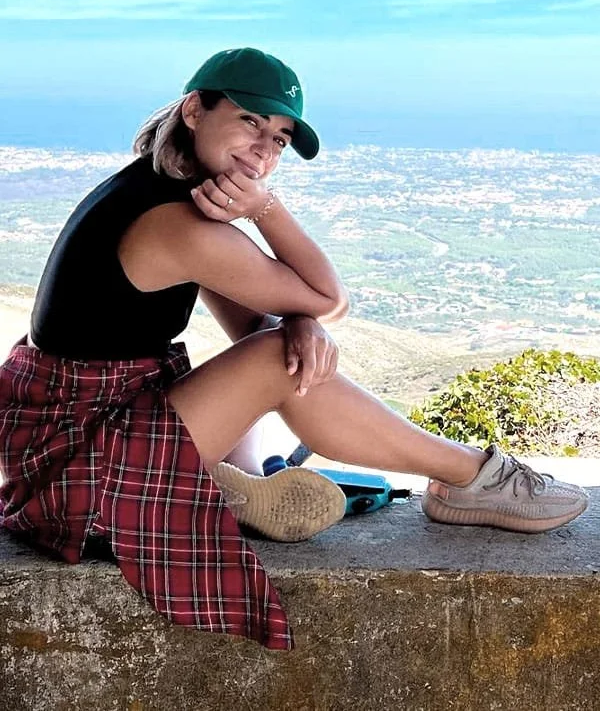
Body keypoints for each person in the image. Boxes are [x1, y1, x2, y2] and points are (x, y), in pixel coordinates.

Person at [0, 47, 588, 651]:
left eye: (279, 139)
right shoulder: (178, 226)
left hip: (79, 432)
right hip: (75, 471)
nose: (264, 149)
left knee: (278, 348)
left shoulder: (160, 192)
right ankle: (467, 477)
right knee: (277, 356)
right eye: (250, 121)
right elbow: (330, 298)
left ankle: (235, 482)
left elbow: (257, 320)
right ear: (195, 110)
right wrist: (269, 215)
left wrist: (295, 320)